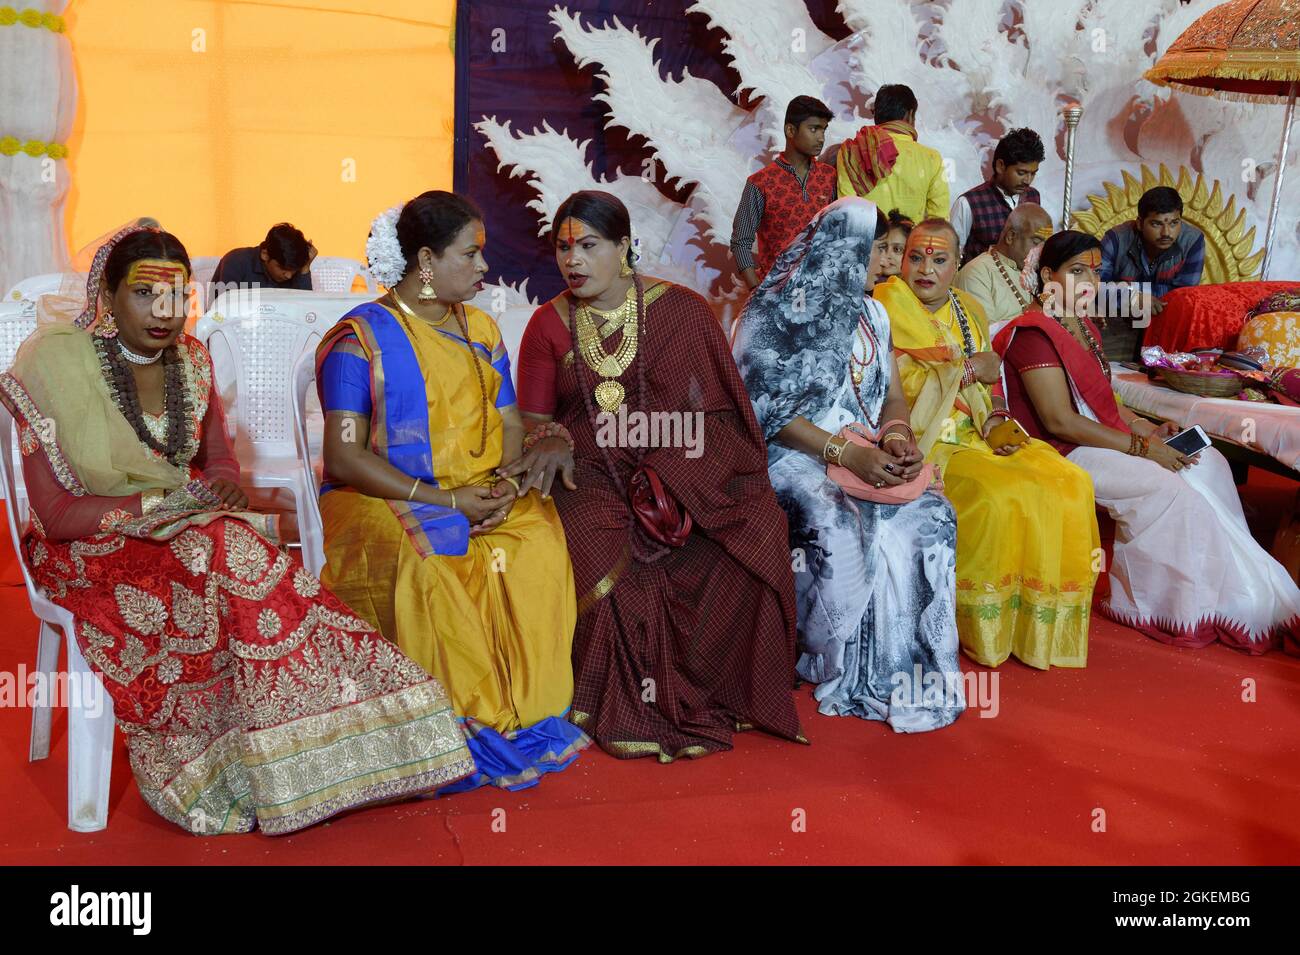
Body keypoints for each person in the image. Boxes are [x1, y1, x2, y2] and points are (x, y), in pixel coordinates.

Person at [0, 226, 474, 834]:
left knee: (234, 546)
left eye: (176, 296)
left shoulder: (191, 363)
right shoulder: (56, 362)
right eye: (144, 294)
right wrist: (156, 503)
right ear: (108, 297)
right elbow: (57, 515)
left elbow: (218, 458)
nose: (164, 314)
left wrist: (220, 485)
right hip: (88, 549)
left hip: (187, 526)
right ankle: (244, 760)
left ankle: (319, 743)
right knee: (230, 548)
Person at [510, 190, 804, 761]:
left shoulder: (683, 310)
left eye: (589, 246)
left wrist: (671, 472)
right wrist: (552, 439)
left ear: (624, 247)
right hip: (590, 472)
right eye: (563, 248)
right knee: (608, 561)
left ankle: (728, 690)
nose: (573, 260)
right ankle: (628, 702)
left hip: (681, 469)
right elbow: (536, 421)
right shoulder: (547, 325)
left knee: (755, 530)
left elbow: (720, 416)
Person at [316, 191, 588, 791]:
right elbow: (343, 455)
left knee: (538, 537)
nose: (484, 268)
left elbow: (510, 423)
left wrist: (508, 484)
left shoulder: (482, 328)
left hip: (479, 488)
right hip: (380, 496)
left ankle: (531, 712)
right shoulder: (357, 341)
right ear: (426, 261)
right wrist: (445, 500)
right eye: (472, 254)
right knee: (435, 558)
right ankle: (457, 722)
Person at [994, 230, 1300, 655]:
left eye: (1096, 272)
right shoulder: (1033, 333)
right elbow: (1061, 421)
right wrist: (1141, 449)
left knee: (1209, 462)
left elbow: (1106, 402)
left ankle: (1223, 591)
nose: (1089, 282)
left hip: (1101, 437)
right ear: (1049, 275)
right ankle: (1163, 605)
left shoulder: (1083, 326)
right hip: (1059, 448)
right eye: (1076, 271)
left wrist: (1146, 427)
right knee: (1170, 489)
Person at [733, 198, 964, 732]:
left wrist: (897, 438)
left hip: (862, 445)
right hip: (789, 453)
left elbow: (892, 400)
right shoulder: (770, 315)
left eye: (890, 251)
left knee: (929, 516)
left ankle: (904, 668)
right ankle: (835, 660)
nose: (888, 263)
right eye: (876, 250)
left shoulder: (874, 314)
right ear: (839, 250)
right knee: (839, 515)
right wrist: (850, 455)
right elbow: (765, 411)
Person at [875, 219, 1100, 669]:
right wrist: (968, 367)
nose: (925, 269)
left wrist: (998, 418)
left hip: (979, 432)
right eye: (915, 257)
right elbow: (892, 384)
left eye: (939, 260)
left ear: (955, 264)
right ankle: (981, 628)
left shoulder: (970, 308)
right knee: (998, 497)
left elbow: (992, 385)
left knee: (1069, 482)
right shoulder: (883, 305)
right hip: (924, 438)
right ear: (902, 260)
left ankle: (1036, 629)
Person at [730, 95, 837, 289]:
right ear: (790, 130)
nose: (821, 138)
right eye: (813, 129)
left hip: (820, 294)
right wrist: (757, 291)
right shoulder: (760, 182)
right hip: (775, 297)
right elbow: (740, 242)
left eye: (823, 130)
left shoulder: (830, 178)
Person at [1098, 185, 1205, 359]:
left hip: (1165, 327)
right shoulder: (1116, 238)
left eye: (1174, 223)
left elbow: (1183, 296)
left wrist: (1131, 291)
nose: (1166, 233)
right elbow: (1095, 287)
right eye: (1156, 224)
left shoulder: (1193, 240)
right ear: (1140, 223)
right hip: (1116, 326)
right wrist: (1131, 297)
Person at [835, 84, 949, 225]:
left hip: (867, 243)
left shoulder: (851, 151)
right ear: (910, 114)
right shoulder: (932, 158)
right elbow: (938, 221)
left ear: (876, 114)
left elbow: (846, 211)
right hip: (910, 244)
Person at [950, 127, 1044, 264]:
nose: (1028, 181)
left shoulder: (1033, 197)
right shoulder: (968, 203)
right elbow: (953, 254)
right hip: (980, 283)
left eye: (1033, 173)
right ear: (1000, 166)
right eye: (1021, 173)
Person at [955, 203, 1053, 333]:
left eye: (1045, 245)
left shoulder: (1038, 274)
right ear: (1011, 236)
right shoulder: (976, 273)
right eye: (1036, 242)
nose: (1041, 251)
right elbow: (983, 336)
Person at [210, 222, 317, 291]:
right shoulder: (236, 261)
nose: (289, 276)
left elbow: (306, 312)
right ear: (265, 255)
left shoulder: (294, 263)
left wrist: (304, 268)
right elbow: (221, 312)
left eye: (294, 270)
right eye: (282, 268)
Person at [868, 208, 912, 288]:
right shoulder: (867, 283)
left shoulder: (914, 289)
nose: (887, 255)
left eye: (897, 249)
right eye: (882, 247)